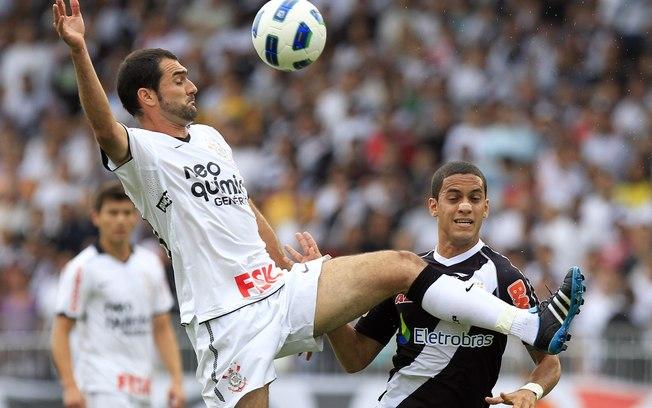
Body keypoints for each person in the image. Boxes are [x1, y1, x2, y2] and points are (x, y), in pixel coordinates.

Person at [52, 1, 585, 407]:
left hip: (276, 289)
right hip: (224, 319)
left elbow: (243, 205)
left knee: (403, 265)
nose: (192, 84)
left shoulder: (211, 138)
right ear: (147, 97)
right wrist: (79, 49)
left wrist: (283, 260)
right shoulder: (141, 153)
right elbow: (103, 126)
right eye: (178, 78)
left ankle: (529, 326)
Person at [323, 161, 567, 408]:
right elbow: (356, 356)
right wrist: (325, 309)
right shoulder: (404, 275)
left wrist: (531, 390)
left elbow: (549, 361)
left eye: (474, 198)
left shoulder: (505, 277)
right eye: (454, 198)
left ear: (485, 208)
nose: (464, 207)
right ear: (433, 206)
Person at [51, 182, 185, 408]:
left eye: (127, 213)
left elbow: (162, 327)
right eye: (113, 213)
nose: (120, 220)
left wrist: (177, 380)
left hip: (143, 386)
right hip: (101, 385)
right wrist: (70, 386)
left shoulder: (150, 263)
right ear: (96, 217)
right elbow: (61, 331)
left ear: (136, 216)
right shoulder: (82, 268)